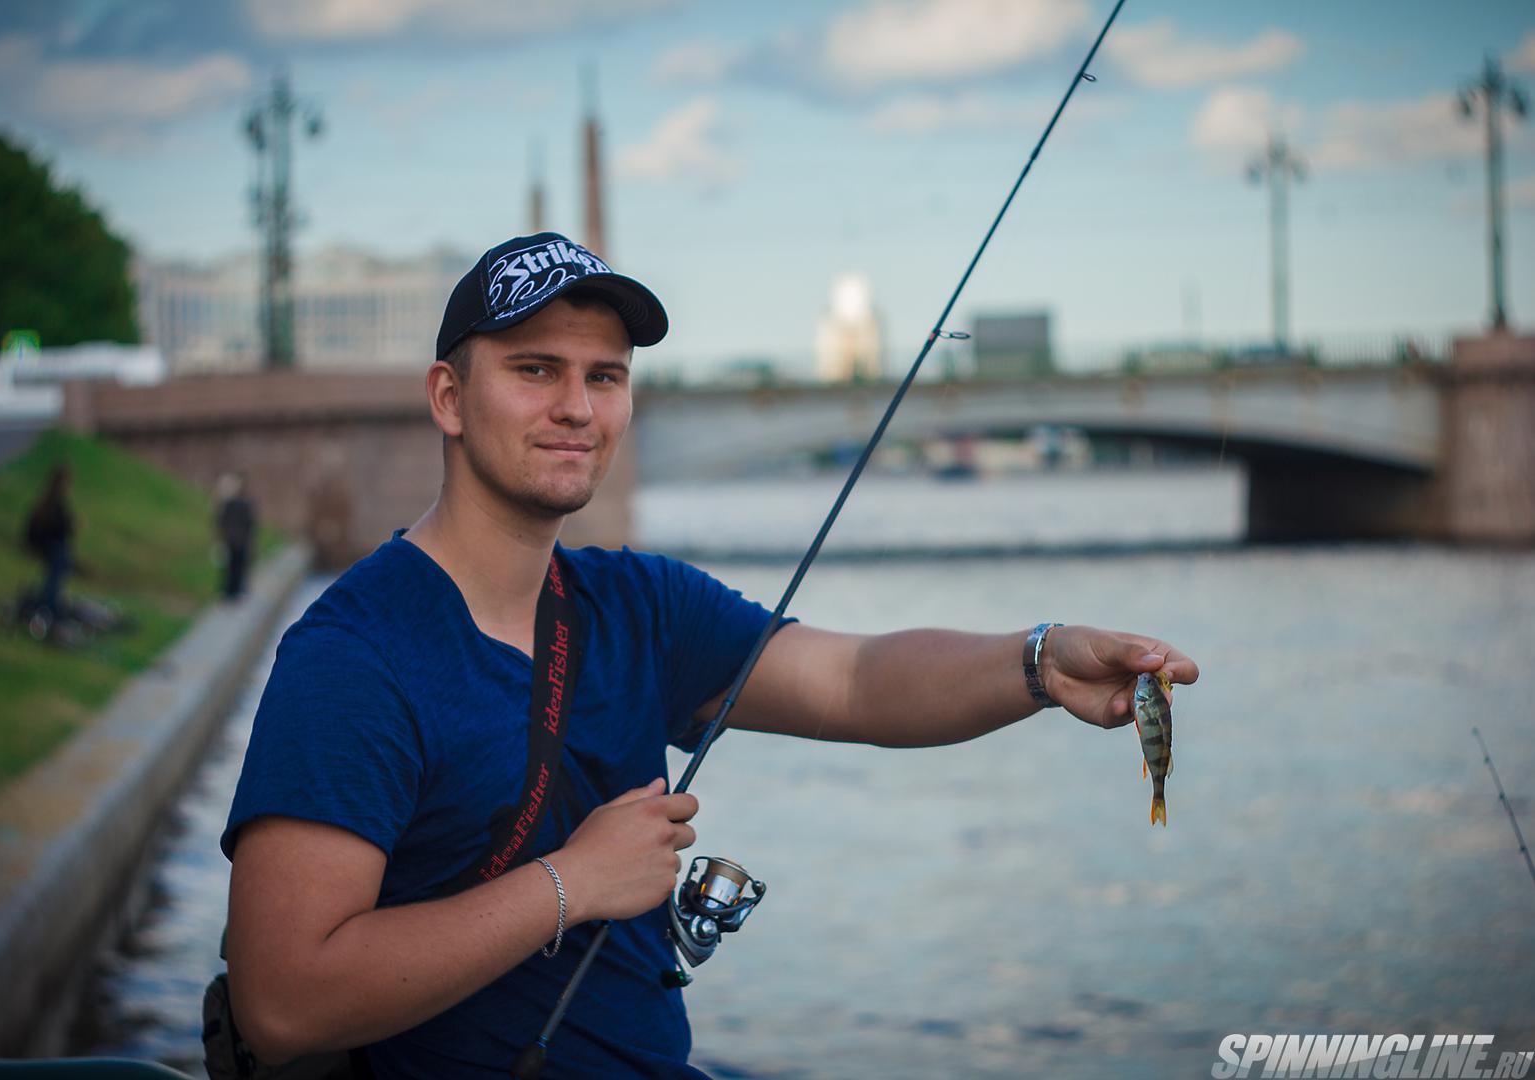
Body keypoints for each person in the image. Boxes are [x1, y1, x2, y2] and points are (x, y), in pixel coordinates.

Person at [220, 232, 1200, 1078]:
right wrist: (573, 883)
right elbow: (285, 999)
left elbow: (855, 682)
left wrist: (1037, 663)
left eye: (605, 377)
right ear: (449, 396)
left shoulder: (639, 604)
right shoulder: (354, 656)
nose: (577, 406)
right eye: (535, 370)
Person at [23, 462, 74, 621]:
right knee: (57, 572)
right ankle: (47, 605)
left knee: (59, 570)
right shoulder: (53, 500)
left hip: (50, 545)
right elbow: (54, 527)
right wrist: (70, 525)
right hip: (49, 546)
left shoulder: (51, 498)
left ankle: (47, 602)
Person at [215, 472, 257, 600]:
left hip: (234, 541)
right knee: (234, 567)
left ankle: (231, 591)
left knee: (234, 567)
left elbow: (221, 521)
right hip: (238, 541)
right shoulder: (242, 504)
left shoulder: (232, 504)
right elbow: (249, 523)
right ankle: (232, 591)